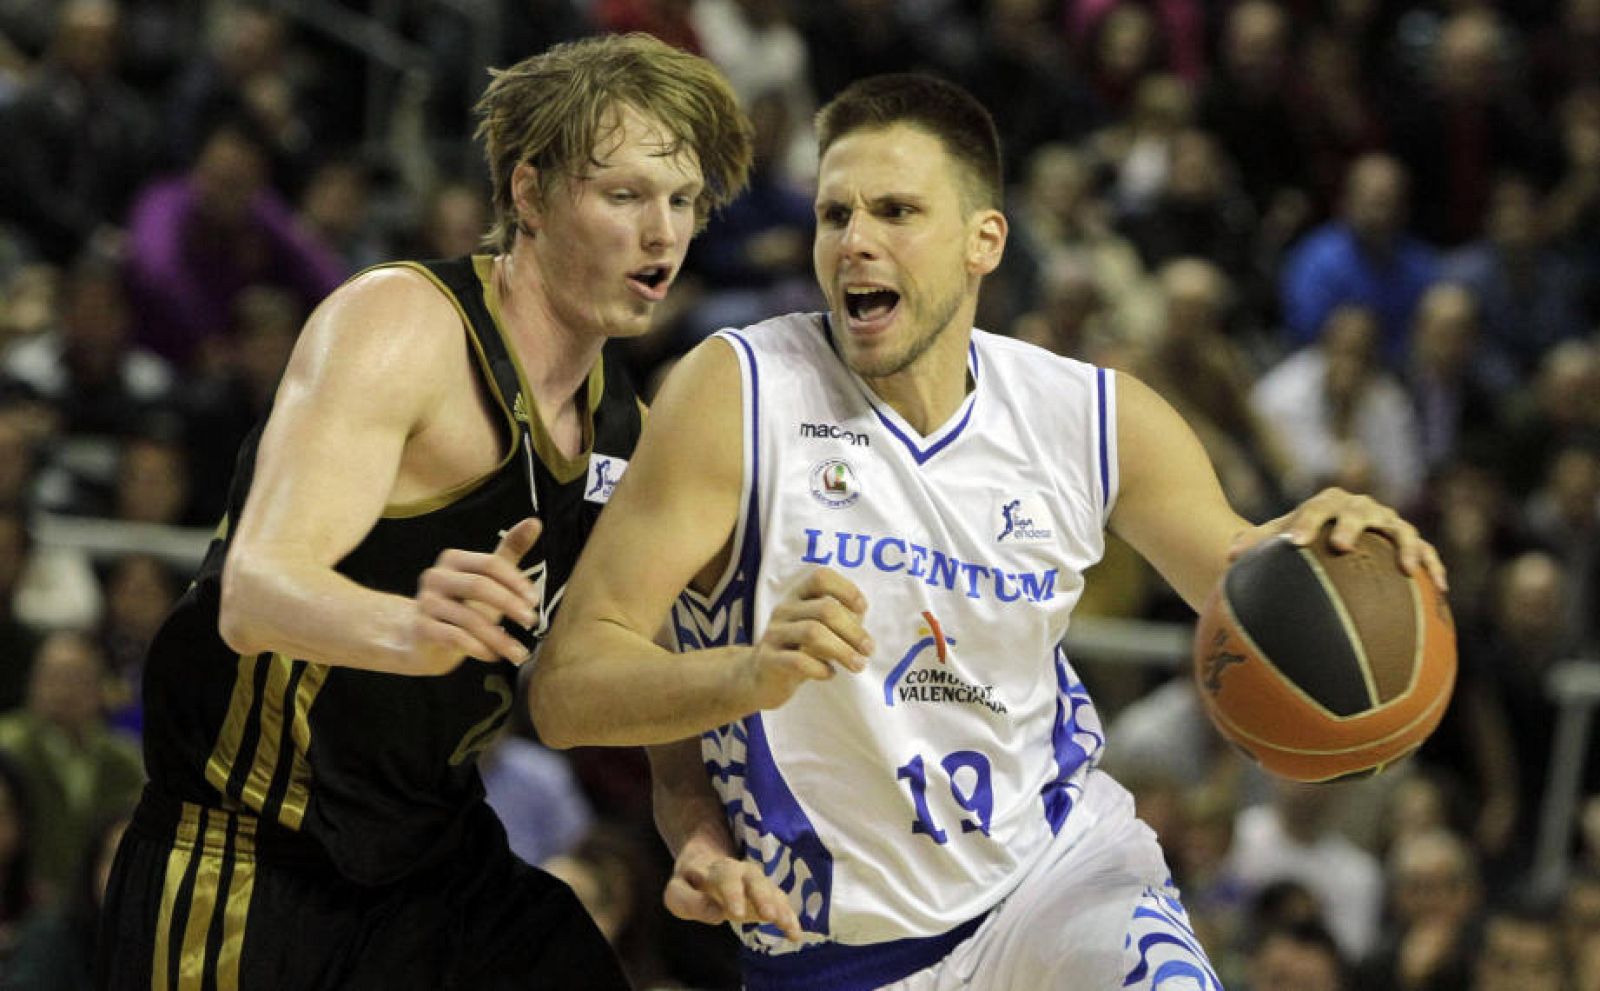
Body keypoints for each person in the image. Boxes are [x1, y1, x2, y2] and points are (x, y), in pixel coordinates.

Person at [533, 73, 1445, 990]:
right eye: (834, 213)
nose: (855, 242)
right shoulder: (739, 390)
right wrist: (737, 695)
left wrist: (1326, 547)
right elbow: (572, 687)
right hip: (835, 950)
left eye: (896, 211)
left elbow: (1242, 580)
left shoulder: (1090, 415)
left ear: (985, 240)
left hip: (1058, 878)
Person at [97, 33, 752, 991]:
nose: (664, 234)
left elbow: (629, 669)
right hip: (248, 848)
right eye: (625, 196)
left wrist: (695, 829)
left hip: (427, 857)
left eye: (683, 202)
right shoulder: (402, 325)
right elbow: (256, 589)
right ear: (528, 195)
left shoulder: (625, 424)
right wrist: (405, 624)